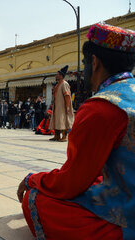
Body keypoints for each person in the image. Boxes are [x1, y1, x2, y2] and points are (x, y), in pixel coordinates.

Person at [17, 23, 135, 240]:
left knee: (35, 199)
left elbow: (71, 183)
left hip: (126, 217)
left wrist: (33, 178)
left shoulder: (101, 107)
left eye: (83, 63)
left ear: (94, 62)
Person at [49, 65, 75, 142]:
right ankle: (57, 135)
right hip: (57, 106)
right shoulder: (57, 84)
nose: (55, 76)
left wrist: (67, 106)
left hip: (63, 106)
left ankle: (64, 136)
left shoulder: (64, 84)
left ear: (61, 76)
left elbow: (67, 95)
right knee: (57, 120)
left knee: (63, 120)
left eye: (57, 74)